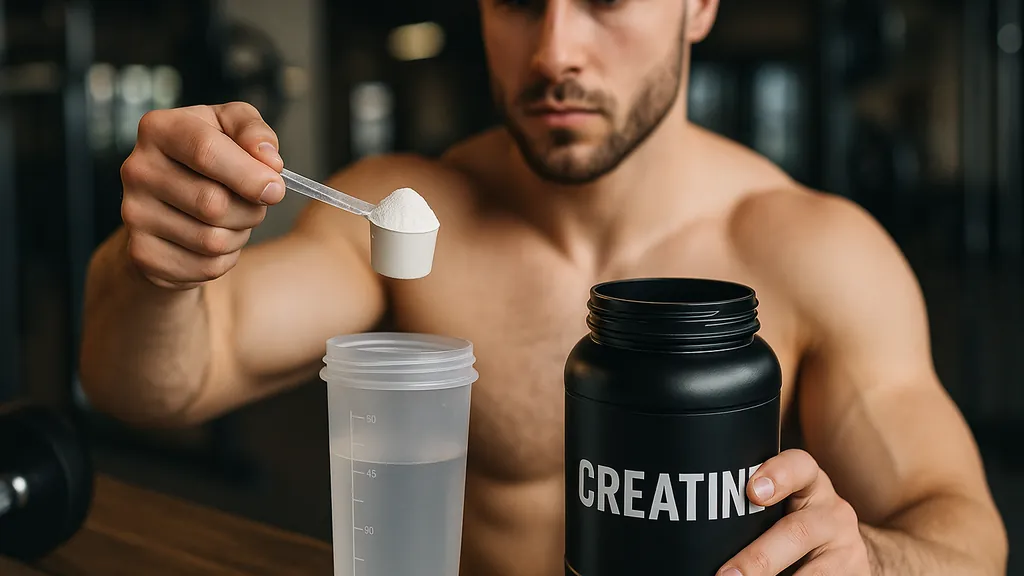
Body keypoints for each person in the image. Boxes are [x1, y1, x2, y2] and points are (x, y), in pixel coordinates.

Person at [79, 0, 1007, 574]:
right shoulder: (405, 214)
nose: (554, 49)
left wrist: (870, 558)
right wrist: (158, 263)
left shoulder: (820, 253)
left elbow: (967, 539)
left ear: (701, 3)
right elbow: (155, 384)